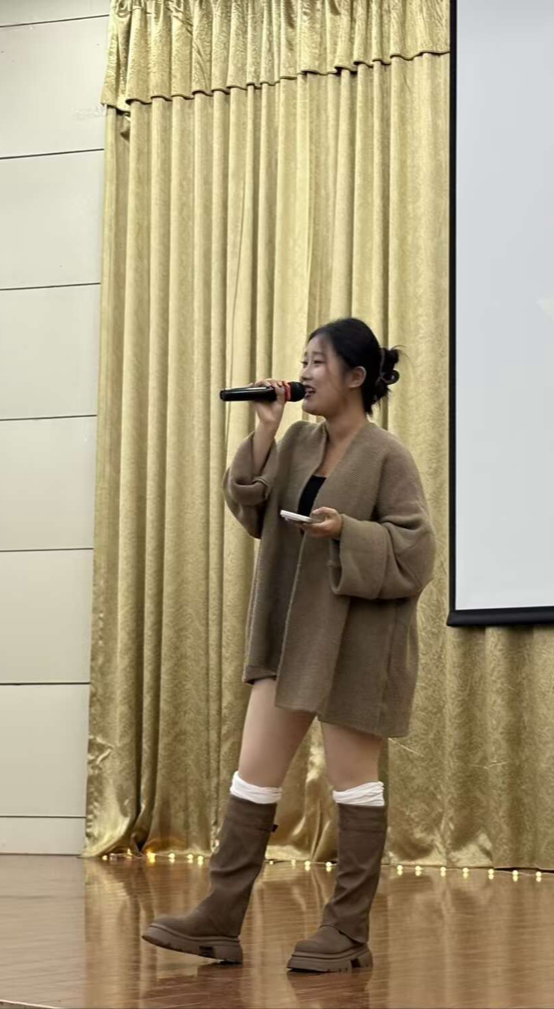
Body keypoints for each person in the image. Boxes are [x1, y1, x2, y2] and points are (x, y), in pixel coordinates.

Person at [142, 318, 436, 973]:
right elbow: (250, 507)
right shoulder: (298, 441)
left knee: (354, 785)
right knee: (253, 775)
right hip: (289, 634)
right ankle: (219, 918)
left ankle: (347, 931)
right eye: (303, 361)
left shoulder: (387, 455)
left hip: (357, 644)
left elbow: (416, 551)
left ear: (355, 377)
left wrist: (345, 530)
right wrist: (266, 430)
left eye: (317, 362)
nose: (303, 374)